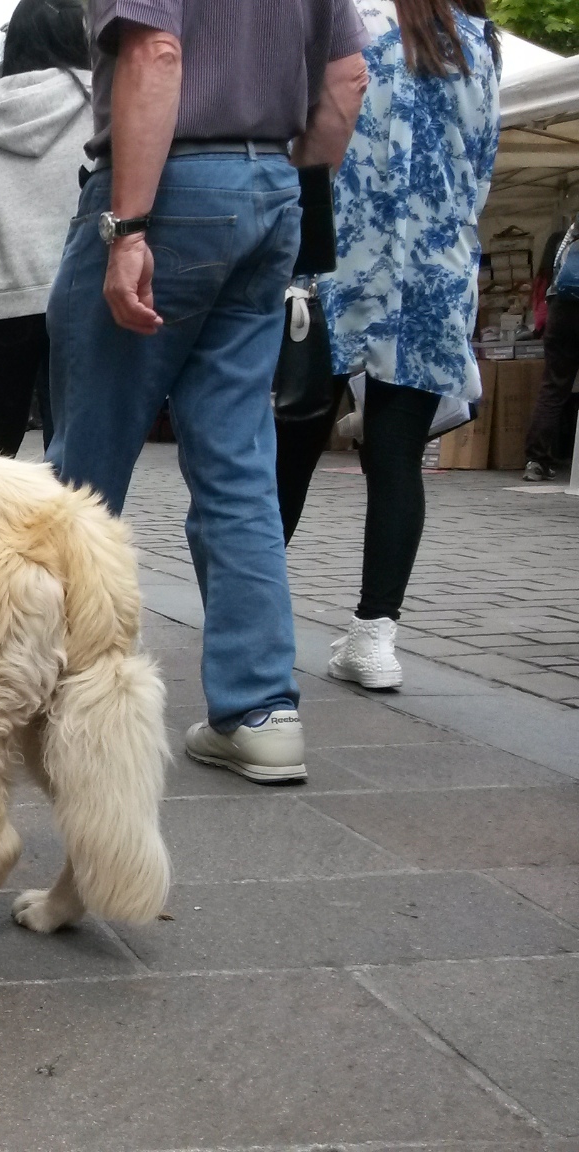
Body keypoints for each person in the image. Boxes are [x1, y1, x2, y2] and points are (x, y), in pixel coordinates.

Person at [45, 0, 371, 785]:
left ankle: (45, 683)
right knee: (238, 464)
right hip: (271, 191)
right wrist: (278, 176)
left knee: (86, 465)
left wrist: (128, 228)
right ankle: (261, 711)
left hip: (166, 184)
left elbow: (155, 53)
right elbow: (347, 80)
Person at [280, 0, 501, 690]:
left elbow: (307, 138)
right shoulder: (475, 42)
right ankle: (375, 635)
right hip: (435, 274)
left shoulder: (349, 22)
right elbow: (483, 164)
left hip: (337, 263)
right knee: (397, 456)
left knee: (292, 441)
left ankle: (248, 612)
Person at [0, 0, 92, 458]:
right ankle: (69, 530)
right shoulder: (100, 100)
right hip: (80, 288)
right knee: (73, 439)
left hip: (2, 294)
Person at [526, 221, 579, 482]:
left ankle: (536, 461)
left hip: (561, 311)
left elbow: (552, 277)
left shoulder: (567, 237)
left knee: (553, 387)